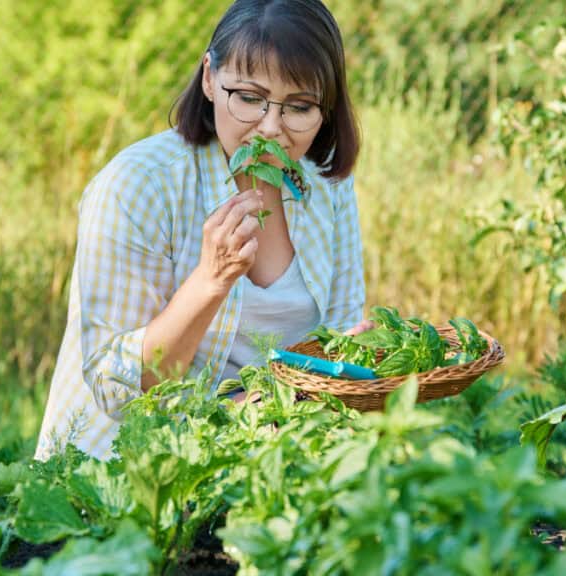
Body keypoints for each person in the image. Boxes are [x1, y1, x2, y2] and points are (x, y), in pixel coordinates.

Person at [35, 0, 374, 461]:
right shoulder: (138, 184)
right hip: (127, 471)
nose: (271, 128)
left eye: (299, 106)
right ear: (210, 78)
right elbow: (118, 390)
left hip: (272, 457)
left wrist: (348, 360)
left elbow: (335, 341)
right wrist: (210, 280)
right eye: (250, 98)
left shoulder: (326, 185)